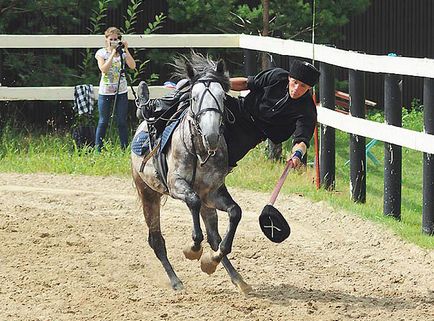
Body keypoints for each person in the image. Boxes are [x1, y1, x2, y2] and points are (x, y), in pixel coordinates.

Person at [136, 59, 320, 168]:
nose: (296, 89)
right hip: (239, 108)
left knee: (225, 161)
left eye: (303, 86)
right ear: (289, 78)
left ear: (309, 88)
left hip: (255, 133)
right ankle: (152, 111)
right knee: (200, 97)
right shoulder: (277, 76)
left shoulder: (306, 110)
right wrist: (215, 83)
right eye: (294, 82)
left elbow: (301, 140)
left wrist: (297, 156)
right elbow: (248, 83)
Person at [94, 27, 136, 151]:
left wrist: (126, 50)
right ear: (106, 40)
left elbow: (132, 66)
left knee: (122, 121)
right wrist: (112, 53)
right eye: (111, 39)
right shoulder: (101, 53)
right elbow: (104, 69)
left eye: (115, 39)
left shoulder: (122, 53)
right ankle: (98, 149)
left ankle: (124, 148)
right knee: (103, 121)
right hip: (106, 91)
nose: (113, 41)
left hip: (121, 90)